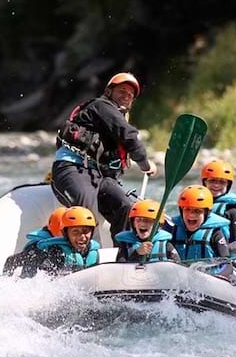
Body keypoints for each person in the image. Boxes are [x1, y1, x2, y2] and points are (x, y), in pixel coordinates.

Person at [51, 72, 157, 243]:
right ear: (109, 92)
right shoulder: (102, 106)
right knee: (85, 213)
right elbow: (129, 136)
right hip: (71, 168)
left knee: (125, 206)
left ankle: (122, 253)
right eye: (122, 91)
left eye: (130, 95)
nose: (126, 96)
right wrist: (145, 164)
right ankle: (85, 260)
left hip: (98, 175)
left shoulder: (115, 118)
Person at [2, 206, 100, 278]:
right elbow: (11, 261)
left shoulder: (91, 250)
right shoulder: (46, 249)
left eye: (85, 231)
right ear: (65, 232)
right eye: (75, 231)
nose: (81, 237)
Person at [164, 185, 230, 261]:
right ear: (181, 211)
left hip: (207, 272)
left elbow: (227, 264)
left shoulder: (215, 234)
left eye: (197, 211)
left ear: (206, 213)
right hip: (179, 271)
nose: (191, 214)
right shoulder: (172, 229)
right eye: (187, 209)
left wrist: (220, 273)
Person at [201, 160, 236, 258]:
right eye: (212, 180)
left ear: (228, 185)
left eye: (222, 182)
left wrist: (222, 248)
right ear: (204, 182)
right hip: (198, 258)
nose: (216, 185)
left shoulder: (231, 210)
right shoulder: (194, 206)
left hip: (225, 258)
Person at [115, 199, 181, 263]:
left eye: (147, 220)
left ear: (158, 225)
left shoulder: (166, 245)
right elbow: (120, 269)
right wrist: (137, 253)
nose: (142, 224)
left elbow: (178, 267)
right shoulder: (125, 244)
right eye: (138, 220)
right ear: (133, 224)